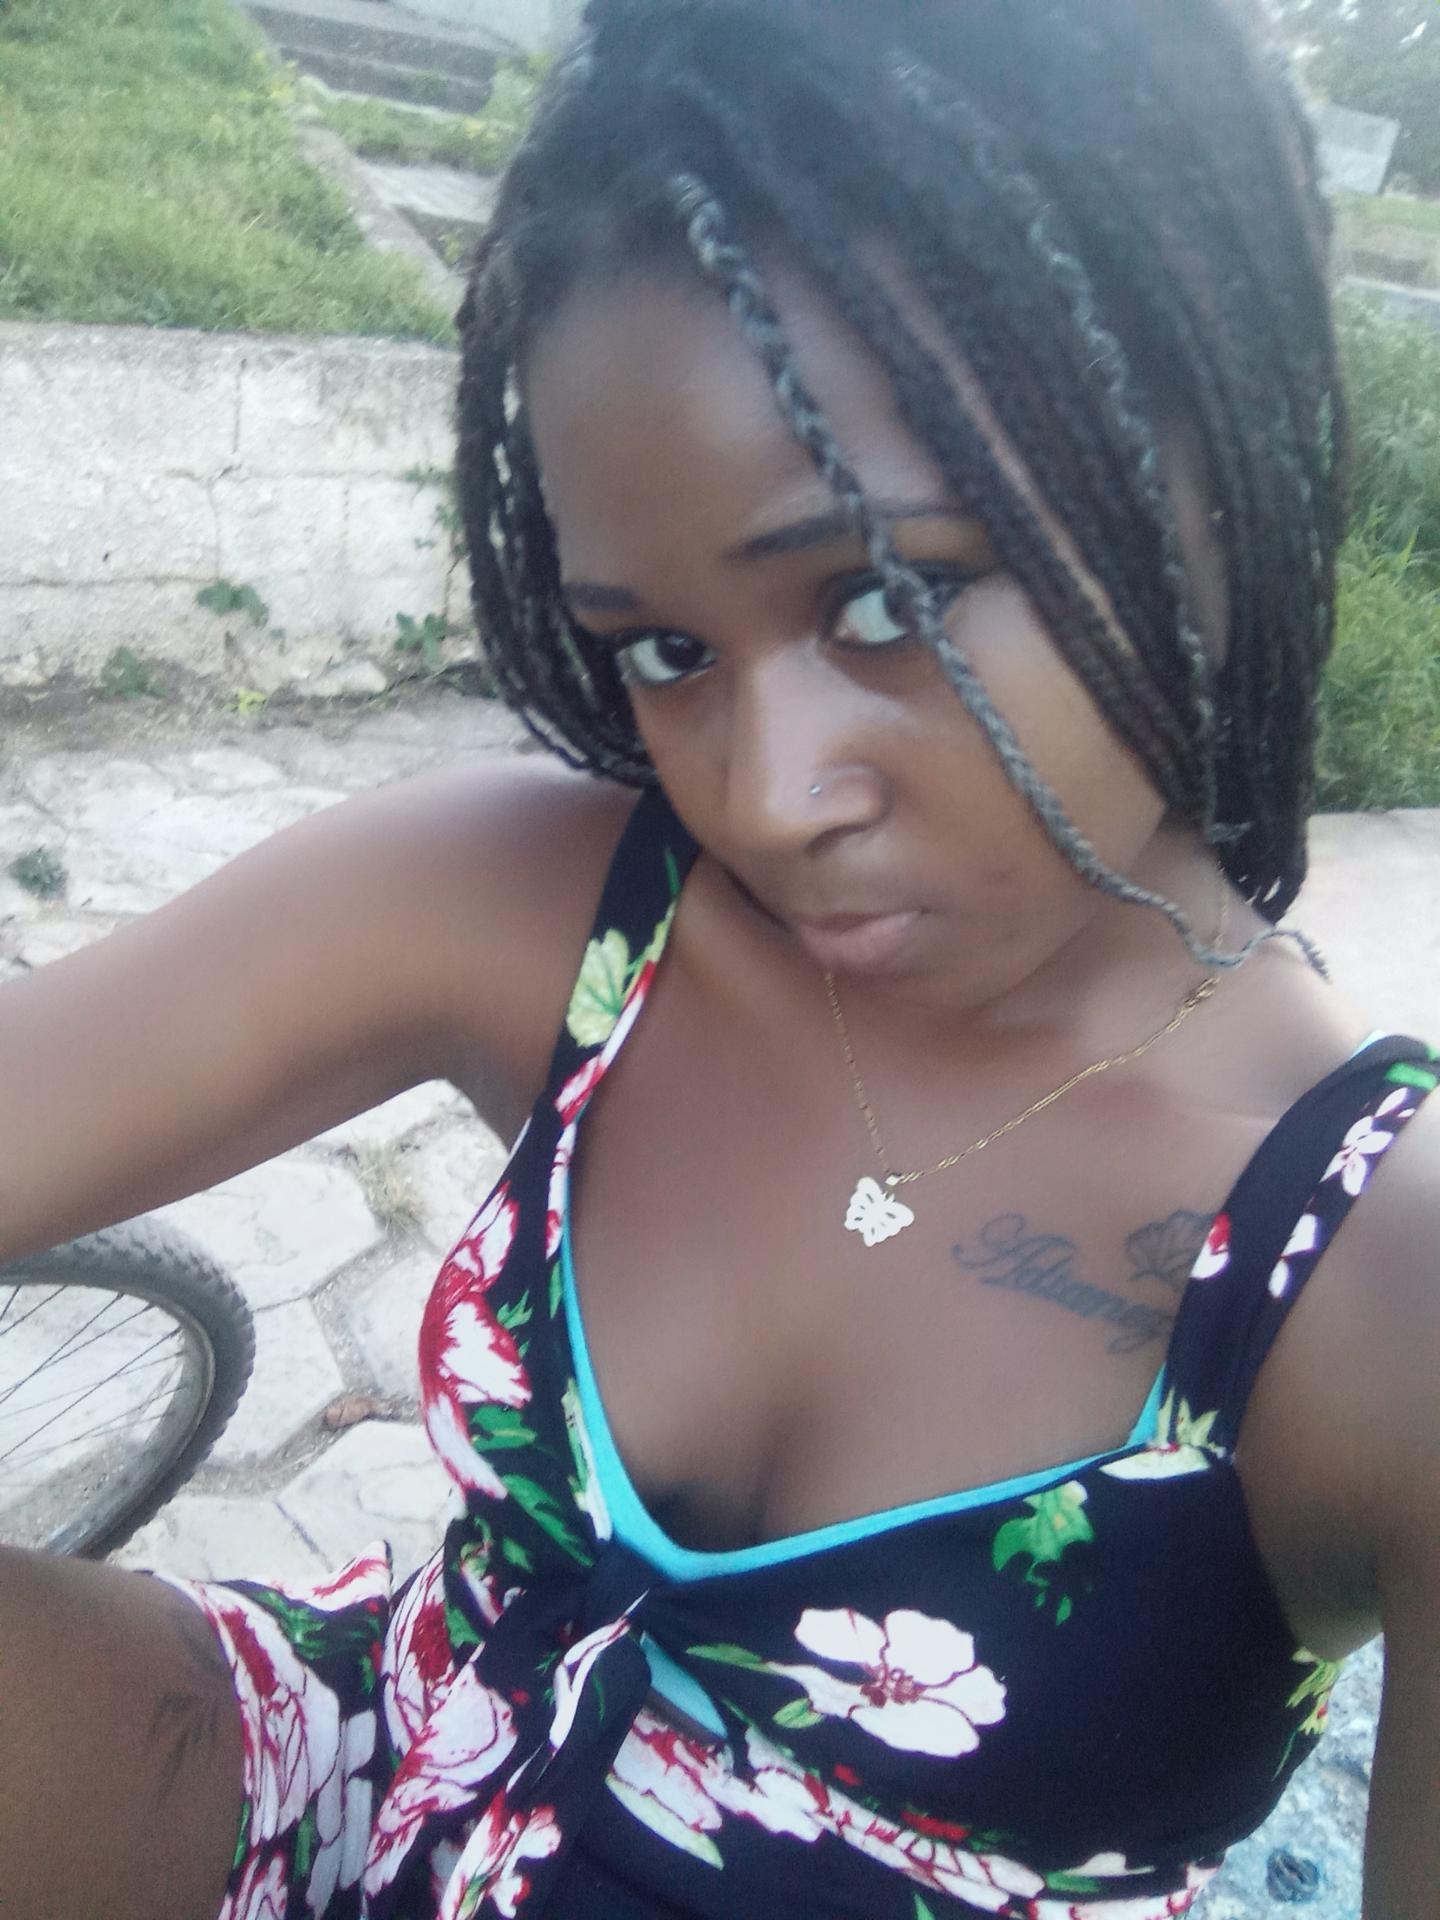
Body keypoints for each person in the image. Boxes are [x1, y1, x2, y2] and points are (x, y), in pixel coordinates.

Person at [1, 1, 1437, 1914]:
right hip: (347, 1783)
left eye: (886, 598)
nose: (764, 793)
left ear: (1212, 483)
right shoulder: (565, 908)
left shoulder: (1375, 1286)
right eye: (665, 650)